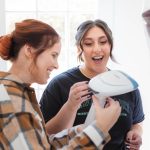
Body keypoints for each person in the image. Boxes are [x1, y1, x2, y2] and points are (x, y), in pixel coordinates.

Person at [0, 19, 121, 149]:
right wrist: (99, 129)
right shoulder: (12, 101)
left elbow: (42, 143)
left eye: (103, 42)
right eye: (53, 55)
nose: (56, 65)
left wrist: (80, 131)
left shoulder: (18, 95)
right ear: (29, 51)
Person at [40, 19, 145, 150]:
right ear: (80, 48)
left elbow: (137, 122)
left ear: (110, 45)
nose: (97, 49)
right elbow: (43, 135)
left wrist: (136, 134)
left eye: (103, 42)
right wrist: (70, 106)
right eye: (89, 44)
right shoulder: (60, 84)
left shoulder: (126, 84)